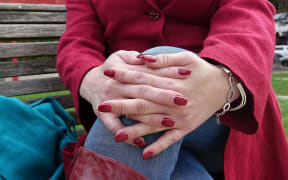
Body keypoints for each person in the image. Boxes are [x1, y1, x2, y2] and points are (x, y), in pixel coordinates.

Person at [57, 0, 288, 179]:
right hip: (128, 106)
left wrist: (222, 80)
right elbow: (77, 43)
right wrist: (92, 79)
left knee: (154, 72)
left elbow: (250, 16)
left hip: (221, 114)